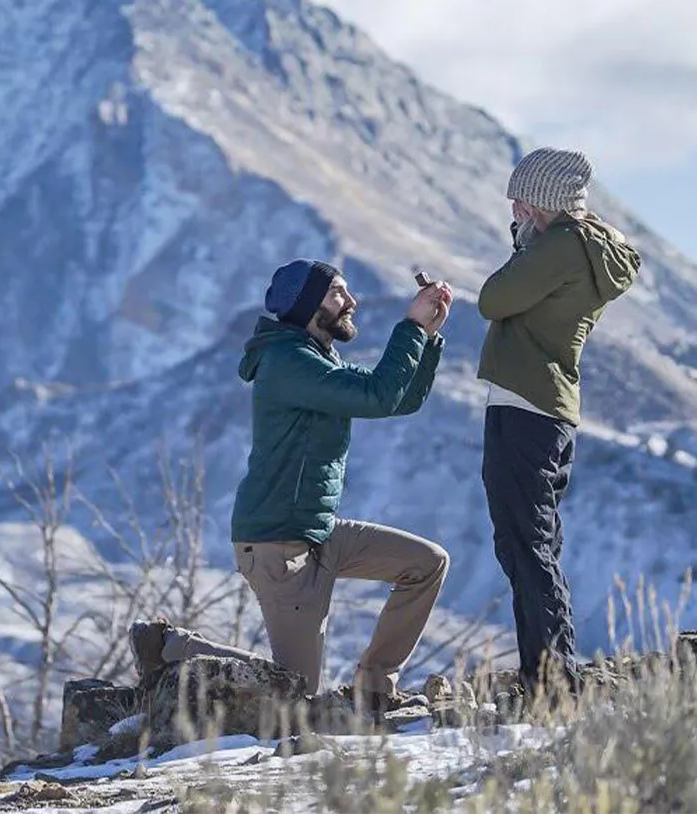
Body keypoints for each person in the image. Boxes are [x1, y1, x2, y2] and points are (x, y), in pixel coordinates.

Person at [131, 260, 452, 715]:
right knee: (296, 694)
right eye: (338, 293)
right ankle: (170, 647)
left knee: (426, 564)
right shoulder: (288, 363)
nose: (351, 302)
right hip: (278, 544)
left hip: (318, 531)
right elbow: (378, 396)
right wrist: (411, 327)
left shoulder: (318, 360)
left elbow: (399, 400)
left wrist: (428, 337)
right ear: (307, 306)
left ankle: (376, 689)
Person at [478, 147, 641, 697]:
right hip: (543, 408)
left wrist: (523, 246)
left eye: (520, 202)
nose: (514, 211)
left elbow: (494, 298)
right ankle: (549, 675)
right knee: (531, 544)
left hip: (526, 405)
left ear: (543, 201)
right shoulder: (582, 247)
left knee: (525, 545)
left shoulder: (561, 246)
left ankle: (552, 685)